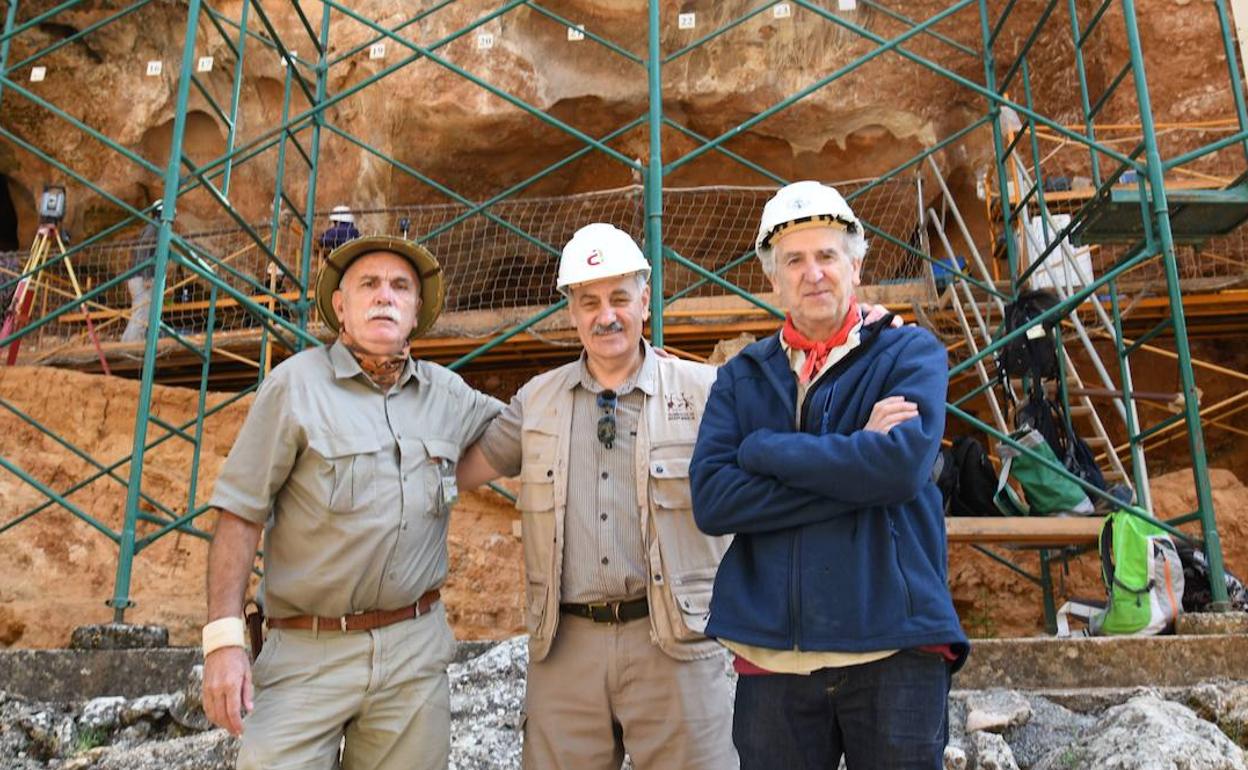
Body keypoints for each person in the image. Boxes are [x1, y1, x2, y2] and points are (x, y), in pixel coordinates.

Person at [690, 181, 969, 770]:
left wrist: (765, 449)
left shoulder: (908, 353)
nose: (813, 273)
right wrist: (854, 466)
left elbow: (898, 470)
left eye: (827, 255)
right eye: (794, 259)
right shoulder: (743, 376)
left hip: (893, 645)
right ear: (773, 278)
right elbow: (714, 501)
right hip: (776, 661)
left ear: (856, 264)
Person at [201, 235, 502, 770]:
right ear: (341, 306)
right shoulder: (293, 387)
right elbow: (239, 513)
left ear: (416, 311)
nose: (384, 296)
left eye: (400, 287)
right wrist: (222, 643)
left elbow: (532, 427)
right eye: (369, 284)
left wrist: (632, 367)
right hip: (305, 655)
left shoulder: (448, 395)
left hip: (413, 656)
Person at [456, 223, 738, 770]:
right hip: (566, 650)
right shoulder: (536, 402)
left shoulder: (706, 394)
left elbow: (780, 453)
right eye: (589, 302)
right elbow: (459, 470)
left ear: (645, 301)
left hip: (675, 645)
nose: (605, 315)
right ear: (571, 311)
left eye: (618, 298)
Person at [121, 203, 159, 343]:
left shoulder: (151, 226)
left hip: (137, 276)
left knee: (140, 312)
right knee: (142, 313)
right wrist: (147, 276)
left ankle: (128, 341)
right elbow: (144, 249)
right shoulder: (155, 227)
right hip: (142, 278)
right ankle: (131, 343)